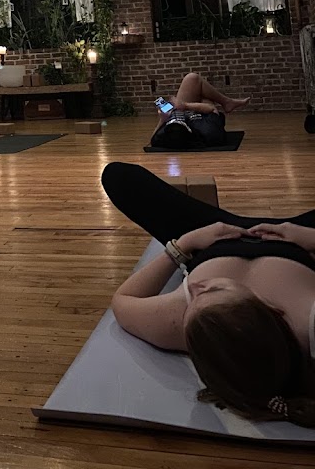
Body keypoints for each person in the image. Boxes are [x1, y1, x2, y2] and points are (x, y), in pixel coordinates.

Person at [101, 161, 315, 427]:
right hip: (296, 243)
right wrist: (307, 237)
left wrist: (184, 244)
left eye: (194, 297)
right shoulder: (308, 323)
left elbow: (122, 301)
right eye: (215, 288)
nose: (194, 287)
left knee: (118, 176)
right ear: (272, 309)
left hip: (211, 239)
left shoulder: (182, 320)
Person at [152, 72, 250, 148]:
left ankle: (227, 102)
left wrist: (163, 119)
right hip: (200, 113)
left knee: (192, 79)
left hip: (179, 112)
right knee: (202, 92)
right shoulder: (208, 133)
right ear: (188, 129)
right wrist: (185, 106)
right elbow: (211, 109)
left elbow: (153, 139)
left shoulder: (162, 137)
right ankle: (227, 102)